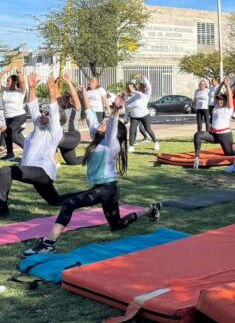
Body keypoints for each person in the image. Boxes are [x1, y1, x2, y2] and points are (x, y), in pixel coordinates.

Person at [23, 89, 163, 255]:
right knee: (116, 225)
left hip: (106, 188)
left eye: (103, 124)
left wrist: (116, 109)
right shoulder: (97, 137)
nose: (100, 124)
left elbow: (111, 124)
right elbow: (90, 115)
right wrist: (83, 98)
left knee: (69, 203)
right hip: (105, 189)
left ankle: (49, 243)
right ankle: (151, 209)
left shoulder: (111, 144)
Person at [0, 74, 62, 217]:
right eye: (43, 112)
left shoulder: (54, 132)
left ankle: (2, 208)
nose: (42, 114)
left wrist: (52, 90)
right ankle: (90, 196)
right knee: (56, 201)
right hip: (34, 174)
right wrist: (32, 88)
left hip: (42, 172)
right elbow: (32, 105)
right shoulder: (38, 125)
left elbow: (54, 110)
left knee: (5, 171)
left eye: (46, 113)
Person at [193, 78, 234, 170]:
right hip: (214, 135)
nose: (220, 101)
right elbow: (216, 94)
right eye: (219, 100)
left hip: (225, 136)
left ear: (225, 101)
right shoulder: (216, 106)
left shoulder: (228, 108)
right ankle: (196, 158)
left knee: (229, 156)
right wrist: (221, 84)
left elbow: (230, 95)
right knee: (198, 135)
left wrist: (227, 85)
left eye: (222, 100)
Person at [124, 75, 160, 152]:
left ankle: (156, 142)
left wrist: (143, 77)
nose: (139, 88)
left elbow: (148, 86)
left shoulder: (143, 95)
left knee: (148, 129)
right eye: (138, 87)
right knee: (132, 131)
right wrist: (126, 116)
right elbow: (126, 107)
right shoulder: (130, 96)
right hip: (134, 116)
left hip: (144, 115)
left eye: (141, 87)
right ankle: (131, 146)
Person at [57, 74, 84, 165]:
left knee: (52, 139)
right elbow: (55, 94)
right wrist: (55, 82)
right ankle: (90, 157)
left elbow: (75, 96)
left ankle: (52, 161)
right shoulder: (61, 107)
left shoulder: (76, 109)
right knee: (73, 162)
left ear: (69, 99)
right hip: (63, 136)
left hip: (73, 136)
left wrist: (68, 82)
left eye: (64, 97)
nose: (61, 98)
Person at [1, 67, 27, 161]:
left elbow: (23, 82)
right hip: (8, 117)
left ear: (14, 82)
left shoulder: (20, 91)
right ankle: (10, 154)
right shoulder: (5, 90)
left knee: (8, 133)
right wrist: (3, 72)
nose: (6, 82)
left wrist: (19, 72)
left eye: (8, 81)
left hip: (19, 116)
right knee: (8, 135)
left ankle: (29, 150)